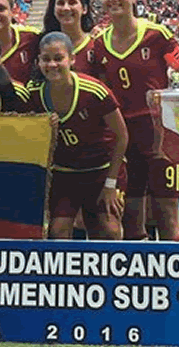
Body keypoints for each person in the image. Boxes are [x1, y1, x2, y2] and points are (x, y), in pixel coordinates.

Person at [91, 0, 179, 242]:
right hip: (124, 139)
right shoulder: (99, 44)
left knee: (167, 217)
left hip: (160, 136)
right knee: (132, 221)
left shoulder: (156, 35)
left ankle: (177, 278)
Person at [27, 32, 128, 240]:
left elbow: (122, 136)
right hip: (65, 174)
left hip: (101, 171)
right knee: (57, 231)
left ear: (72, 59)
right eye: (46, 59)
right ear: (38, 62)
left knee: (109, 231)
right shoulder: (33, 93)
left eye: (58, 58)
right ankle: (63, 273)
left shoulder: (95, 91)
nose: (52, 64)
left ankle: (106, 273)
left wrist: (110, 185)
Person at [41, 0, 97, 74]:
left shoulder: (95, 46)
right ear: (53, 9)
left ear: (84, 9)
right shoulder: (41, 45)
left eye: (72, 2)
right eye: (60, 3)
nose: (66, 8)